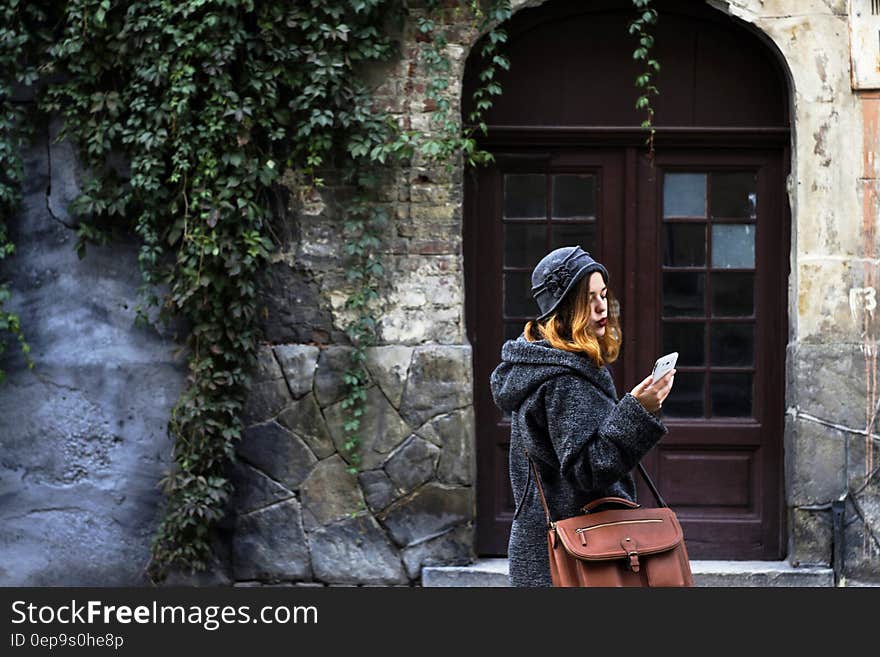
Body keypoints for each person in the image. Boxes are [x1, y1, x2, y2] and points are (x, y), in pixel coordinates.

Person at [489, 245, 675, 587]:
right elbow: (587, 471)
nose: (602, 306)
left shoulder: (541, 366)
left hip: (550, 550)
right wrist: (638, 410)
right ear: (563, 310)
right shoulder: (564, 380)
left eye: (603, 294)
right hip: (577, 558)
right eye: (588, 298)